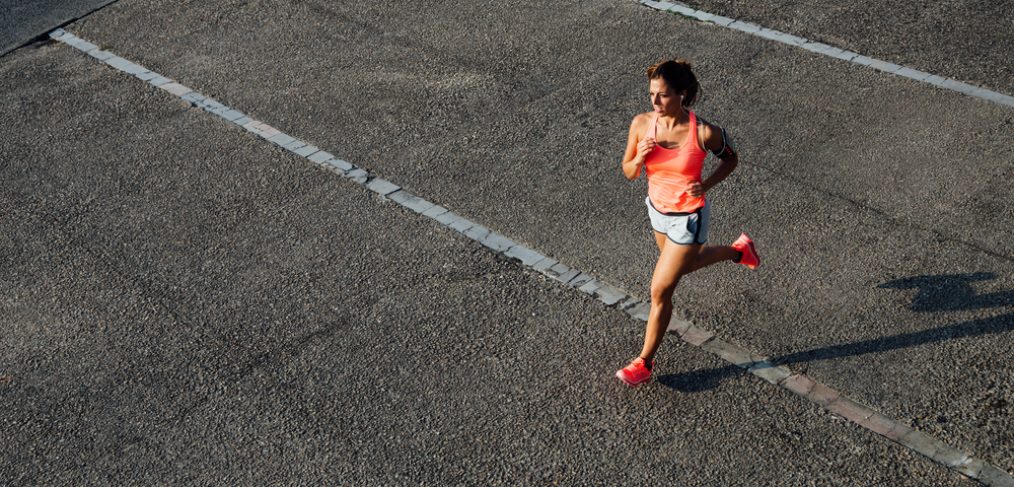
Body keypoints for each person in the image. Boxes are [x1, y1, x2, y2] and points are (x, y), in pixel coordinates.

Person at [616, 59, 760, 387]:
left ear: (682, 95)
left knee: (661, 289)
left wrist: (706, 185)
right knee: (683, 266)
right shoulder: (641, 125)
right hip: (657, 211)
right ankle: (738, 251)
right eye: (652, 94)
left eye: (663, 96)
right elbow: (628, 171)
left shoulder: (704, 132)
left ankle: (644, 362)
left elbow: (731, 158)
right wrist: (639, 157)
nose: (654, 102)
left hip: (688, 218)